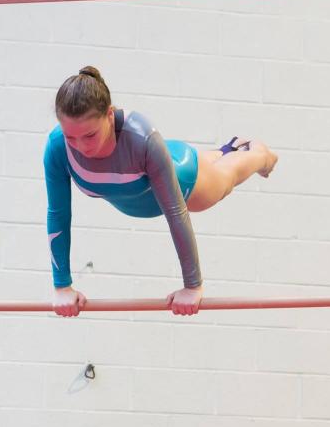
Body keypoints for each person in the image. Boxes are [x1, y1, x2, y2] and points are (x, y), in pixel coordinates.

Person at [44, 66, 277, 317]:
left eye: (89, 135)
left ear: (109, 115)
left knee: (224, 181)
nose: (80, 146)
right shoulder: (57, 147)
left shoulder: (140, 137)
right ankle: (227, 149)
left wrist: (193, 286)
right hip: (160, 159)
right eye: (71, 137)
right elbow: (58, 214)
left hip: (183, 176)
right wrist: (62, 286)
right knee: (208, 162)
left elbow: (176, 212)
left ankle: (260, 155)